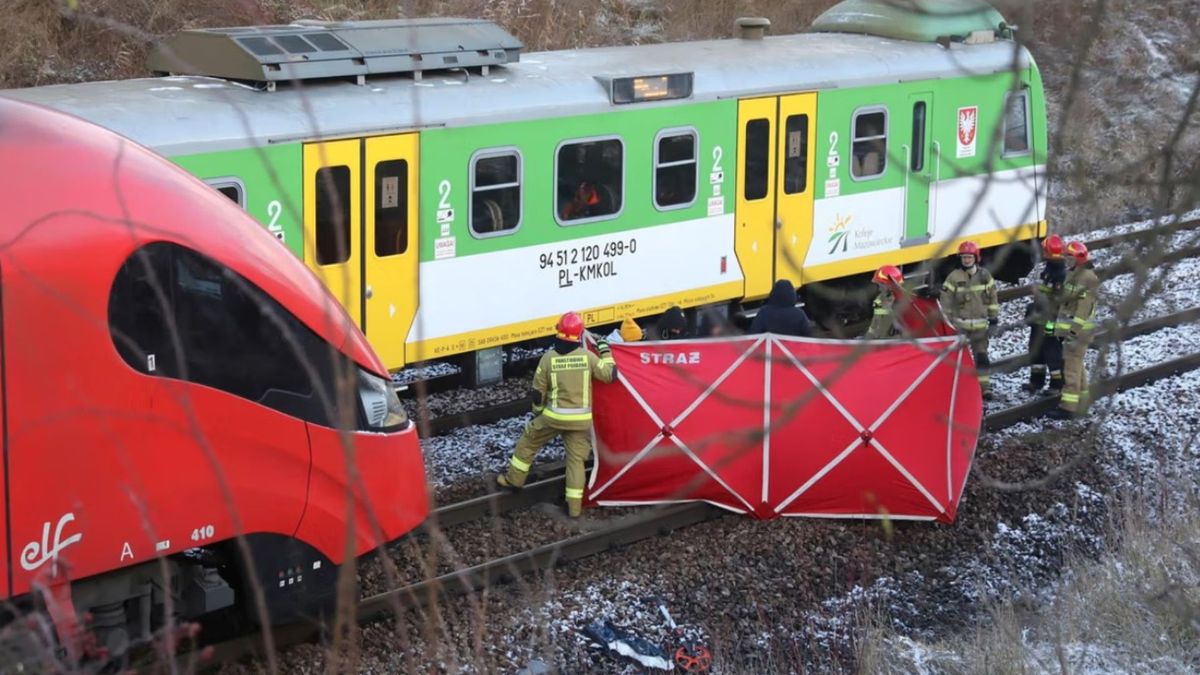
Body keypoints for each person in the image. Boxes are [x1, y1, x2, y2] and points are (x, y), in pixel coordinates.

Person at [497, 312, 616, 517]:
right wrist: (605, 350)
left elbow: (537, 392)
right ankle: (574, 508)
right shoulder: (587, 357)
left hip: (553, 417)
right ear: (578, 335)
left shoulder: (548, 359)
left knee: (529, 441)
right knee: (576, 461)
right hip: (580, 421)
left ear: (559, 331)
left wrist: (537, 414)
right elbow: (610, 375)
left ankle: (514, 480)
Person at [940, 241, 1000, 398]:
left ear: (976, 258)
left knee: (982, 357)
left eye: (969, 257)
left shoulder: (985, 276)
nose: (966, 260)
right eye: (964, 257)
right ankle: (959, 389)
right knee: (958, 359)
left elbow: (993, 298)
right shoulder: (953, 277)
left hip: (980, 327)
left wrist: (993, 319)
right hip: (960, 328)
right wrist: (948, 322)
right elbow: (945, 301)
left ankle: (985, 388)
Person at [1047, 241, 1099, 420]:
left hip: (1077, 333)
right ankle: (1083, 402)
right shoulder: (1074, 275)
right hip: (1072, 331)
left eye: (1070, 257)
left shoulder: (1087, 278)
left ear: (1079, 258)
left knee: (1070, 369)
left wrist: (1074, 332)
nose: (1067, 260)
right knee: (1077, 366)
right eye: (1066, 256)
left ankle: (1068, 407)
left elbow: (1083, 309)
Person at [1025, 235, 1068, 393]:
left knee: (1052, 351)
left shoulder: (1060, 275)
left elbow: (1057, 303)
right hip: (1039, 318)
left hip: (1050, 320)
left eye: (1045, 251)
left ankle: (1057, 384)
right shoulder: (1049, 270)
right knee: (1035, 350)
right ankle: (1036, 381)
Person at [864, 265, 909, 339]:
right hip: (883, 339)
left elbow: (905, 329)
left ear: (891, 285)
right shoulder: (879, 300)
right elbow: (875, 322)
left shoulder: (903, 300)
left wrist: (889, 311)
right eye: (878, 284)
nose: (879, 288)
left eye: (881, 284)